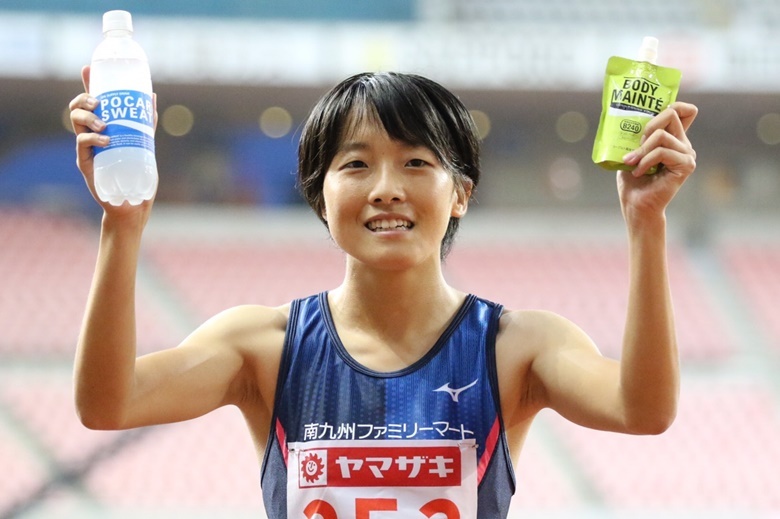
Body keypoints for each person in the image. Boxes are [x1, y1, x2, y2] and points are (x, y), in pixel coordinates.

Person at [69, 66, 698, 518]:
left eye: (417, 162)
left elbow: (642, 411)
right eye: (355, 164)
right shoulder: (262, 346)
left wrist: (647, 226)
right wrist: (121, 225)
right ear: (321, 198)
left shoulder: (519, 346)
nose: (386, 188)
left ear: (461, 194)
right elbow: (108, 404)